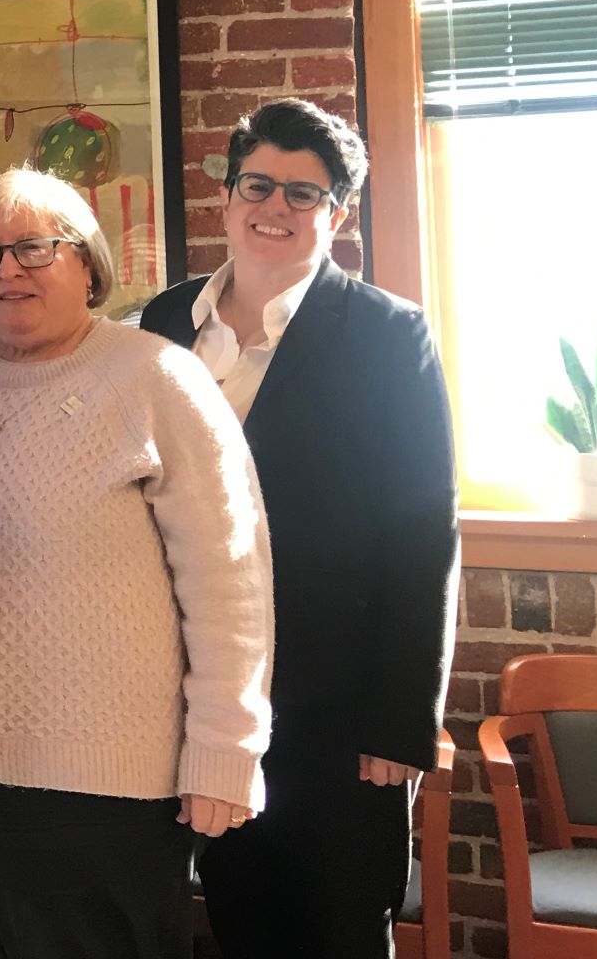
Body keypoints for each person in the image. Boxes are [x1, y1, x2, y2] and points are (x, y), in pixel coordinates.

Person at [0, 166, 273, 959]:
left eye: (34, 249)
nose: (8, 269)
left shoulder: (157, 377)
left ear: (86, 263)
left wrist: (227, 747)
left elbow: (230, 580)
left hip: (99, 793)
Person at [139, 100, 458, 959]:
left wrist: (401, 723)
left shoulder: (390, 336)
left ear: (338, 213)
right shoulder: (163, 327)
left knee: (335, 926)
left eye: (305, 195)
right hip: (193, 697)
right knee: (233, 918)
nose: (275, 208)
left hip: (336, 706)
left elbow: (423, 529)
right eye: (259, 184)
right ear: (229, 194)